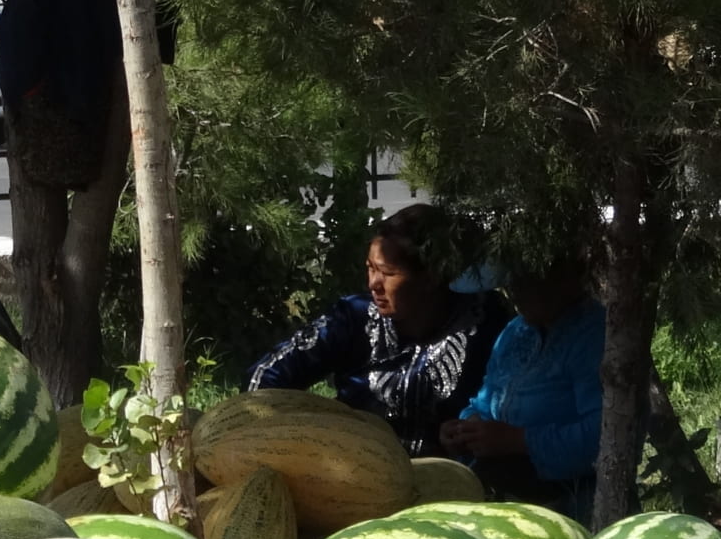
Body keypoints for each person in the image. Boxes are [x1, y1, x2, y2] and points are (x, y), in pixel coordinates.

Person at [248, 203, 509, 457]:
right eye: (370, 268)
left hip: (451, 482)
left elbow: (514, 407)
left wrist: (471, 431)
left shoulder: (485, 323)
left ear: (431, 278)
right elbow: (267, 375)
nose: (373, 283)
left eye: (387, 273)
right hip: (350, 473)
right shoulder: (353, 318)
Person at [440, 253, 604, 519]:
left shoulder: (596, 336)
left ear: (565, 277)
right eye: (510, 281)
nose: (514, 291)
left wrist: (519, 441)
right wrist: (466, 427)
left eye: (524, 280)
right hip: (507, 502)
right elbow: (484, 402)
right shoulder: (515, 332)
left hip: (573, 508)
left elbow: (605, 438)